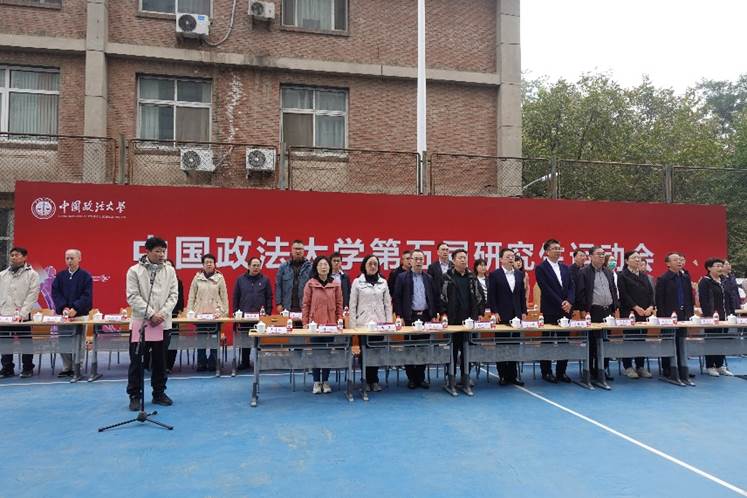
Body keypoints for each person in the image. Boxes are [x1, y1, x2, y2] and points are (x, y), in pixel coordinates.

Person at [125, 237, 179, 411]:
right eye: (157, 251)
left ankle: (159, 393)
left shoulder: (170, 270)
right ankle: (135, 395)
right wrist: (150, 314)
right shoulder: (134, 271)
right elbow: (132, 296)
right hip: (141, 322)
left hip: (162, 323)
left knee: (160, 361)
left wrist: (162, 314)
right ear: (147, 251)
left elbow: (174, 295)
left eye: (163, 251)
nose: (161, 254)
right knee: (137, 361)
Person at [440, 249, 484, 395]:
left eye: (465, 257)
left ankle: (465, 378)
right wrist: (443, 313)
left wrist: (480, 313)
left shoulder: (472, 277)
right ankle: (450, 380)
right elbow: (442, 297)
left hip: (469, 321)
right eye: (460, 258)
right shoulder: (447, 277)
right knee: (452, 351)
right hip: (452, 321)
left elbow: (480, 296)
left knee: (467, 351)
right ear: (453, 261)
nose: (463, 260)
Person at [393, 249, 438, 389]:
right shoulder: (402, 277)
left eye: (421, 259)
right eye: (416, 259)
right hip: (409, 317)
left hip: (425, 316)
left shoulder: (428, 278)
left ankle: (421, 377)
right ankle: (411, 378)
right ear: (410, 261)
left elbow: (433, 297)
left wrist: (434, 315)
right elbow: (397, 298)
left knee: (423, 348)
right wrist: (399, 316)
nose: (418, 262)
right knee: (409, 348)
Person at [349, 255, 393, 392]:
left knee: (376, 352)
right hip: (363, 324)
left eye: (375, 264)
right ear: (364, 266)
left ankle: (374, 380)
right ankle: (365, 380)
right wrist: (353, 327)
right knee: (365, 352)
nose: (373, 266)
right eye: (370, 264)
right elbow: (352, 305)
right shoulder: (357, 282)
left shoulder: (383, 282)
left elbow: (387, 305)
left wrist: (389, 324)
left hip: (380, 323)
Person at [534, 239, 574, 383]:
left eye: (559, 248)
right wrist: (561, 302)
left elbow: (571, 287)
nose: (558, 251)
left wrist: (569, 301)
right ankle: (546, 372)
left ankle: (561, 372)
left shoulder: (565, 268)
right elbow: (546, 289)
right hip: (550, 309)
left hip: (566, 310)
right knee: (548, 341)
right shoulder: (541, 268)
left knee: (564, 342)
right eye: (554, 248)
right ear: (547, 251)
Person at [577, 246, 619, 382]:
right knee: (592, 343)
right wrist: (583, 310)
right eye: (599, 254)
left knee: (605, 342)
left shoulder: (608, 272)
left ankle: (603, 369)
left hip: (608, 311)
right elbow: (581, 293)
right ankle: (590, 370)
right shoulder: (584, 272)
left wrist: (615, 306)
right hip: (593, 311)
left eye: (603, 254)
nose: (602, 256)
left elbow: (613, 290)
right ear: (590, 256)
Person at [302, 255, 343, 394]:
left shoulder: (335, 284)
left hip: (331, 324)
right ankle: (316, 381)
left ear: (329, 267)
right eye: (320, 264)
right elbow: (306, 305)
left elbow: (339, 305)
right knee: (316, 353)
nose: (323, 267)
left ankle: (325, 381)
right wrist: (305, 323)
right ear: (316, 267)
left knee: (327, 353)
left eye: (326, 264)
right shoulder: (310, 284)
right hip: (315, 325)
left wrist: (339, 320)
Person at [51, 249, 93, 377]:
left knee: (79, 341)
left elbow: (87, 296)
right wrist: (63, 307)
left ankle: (77, 367)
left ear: (79, 259)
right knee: (63, 340)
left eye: (72, 258)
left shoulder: (86, 276)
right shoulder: (60, 276)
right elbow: (56, 293)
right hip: (64, 315)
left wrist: (75, 308)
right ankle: (66, 367)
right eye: (67, 258)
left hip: (79, 315)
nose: (69, 261)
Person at [487, 248, 526, 386]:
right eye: (508, 256)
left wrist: (523, 311)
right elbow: (491, 295)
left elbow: (521, 295)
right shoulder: (495, 275)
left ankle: (513, 375)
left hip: (516, 315)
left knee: (515, 345)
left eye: (512, 256)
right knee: (502, 345)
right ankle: (502, 375)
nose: (511, 258)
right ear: (501, 259)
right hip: (501, 315)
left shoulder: (519, 274)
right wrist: (495, 312)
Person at [0, 247, 40, 378]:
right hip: (5, 315)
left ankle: (28, 368)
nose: (13, 257)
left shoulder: (32, 274)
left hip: (22, 316)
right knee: (5, 342)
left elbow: (33, 295)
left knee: (26, 342)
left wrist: (22, 314)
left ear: (24, 257)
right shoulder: (2, 275)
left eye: (17, 255)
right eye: (12, 255)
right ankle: (7, 368)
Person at [655, 252, 694, 379]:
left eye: (680, 260)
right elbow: (659, 300)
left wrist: (690, 313)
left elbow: (689, 297)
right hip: (668, 316)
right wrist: (662, 318)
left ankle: (682, 367)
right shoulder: (663, 279)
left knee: (681, 341)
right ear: (668, 263)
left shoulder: (685, 277)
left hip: (683, 314)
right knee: (669, 341)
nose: (679, 262)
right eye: (675, 260)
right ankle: (668, 368)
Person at [187, 253, 228, 372]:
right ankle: (201, 363)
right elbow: (191, 296)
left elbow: (224, 296)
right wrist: (190, 312)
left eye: (211, 262)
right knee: (201, 339)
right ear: (203, 265)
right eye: (206, 262)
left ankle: (213, 363)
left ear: (214, 264)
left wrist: (224, 312)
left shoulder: (219, 278)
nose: (209, 264)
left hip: (215, 315)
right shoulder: (197, 278)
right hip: (200, 314)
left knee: (214, 339)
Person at [616, 251, 654, 379]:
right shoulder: (622, 275)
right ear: (627, 261)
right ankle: (628, 366)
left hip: (644, 313)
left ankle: (640, 366)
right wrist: (635, 307)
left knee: (641, 339)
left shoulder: (644, 275)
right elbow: (623, 294)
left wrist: (651, 306)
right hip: (629, 312)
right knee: (629, 339)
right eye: (634, 258)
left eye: (639, 257)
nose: (638, 260)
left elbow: (651, 293)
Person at [233, 256, 273, 370]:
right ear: (248, 266)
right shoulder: (240, 280)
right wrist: (235, 312)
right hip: (245, 315)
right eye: (254, 265)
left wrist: (268, 312)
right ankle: (245, 362)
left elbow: (269, 297)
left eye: (258, 265)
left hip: (260, 317)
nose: (256, 268)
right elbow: (236, 297)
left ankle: (259, 362)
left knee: (260, 340)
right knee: (245, 340)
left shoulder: (265, 280)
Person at [698, 258, 734, 377]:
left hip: (725, 317)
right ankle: (710, 366)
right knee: (711, 341)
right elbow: (704, 301)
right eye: (717, 266)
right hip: (711, 317)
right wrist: (709, 316)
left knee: (722, 341)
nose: (720, 268)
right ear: (709, 268)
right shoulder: (705, 281)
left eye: (721, 266)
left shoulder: (724, 280)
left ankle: (720, 365)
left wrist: (732, 314)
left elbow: (730, 298)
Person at [275, 240, 312, 314]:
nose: (298, 251)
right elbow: (278, 286)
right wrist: (278, 303)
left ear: (304, 251)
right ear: (291, 250)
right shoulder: (283, 267)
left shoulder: (310, 267)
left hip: (305, 306)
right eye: (295, 249)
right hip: (287, 306)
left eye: (300, 249)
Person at [427, 242, 453, 308]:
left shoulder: (453, 266)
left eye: (447, 250)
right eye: (443, 250)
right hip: (437, 300)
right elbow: (430, 285)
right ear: (438, 252)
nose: (445, 252)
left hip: (452, 300)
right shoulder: (432, 267)